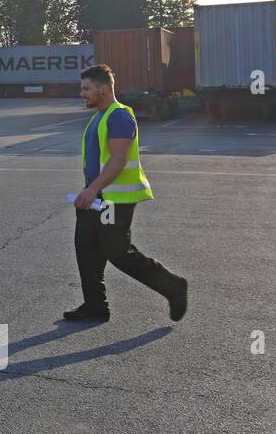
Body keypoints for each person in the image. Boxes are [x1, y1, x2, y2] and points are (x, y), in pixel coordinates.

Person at [65, 64, 188, 322]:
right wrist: (89, 191)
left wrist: (93, 189)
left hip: (114, 199)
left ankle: (173, 286)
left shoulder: (119, 116)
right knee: (86, 248)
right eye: (81, 88)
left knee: (118, 252)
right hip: (97, 196)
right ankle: (95, 305)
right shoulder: (98, 117)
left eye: (86, 88)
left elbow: (118, 160)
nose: (82, 93)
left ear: (104, 88)